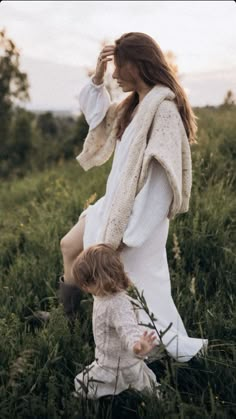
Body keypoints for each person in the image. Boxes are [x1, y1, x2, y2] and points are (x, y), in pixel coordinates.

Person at [59, 32, 208, 362]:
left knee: (138, 291)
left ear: (137, 65)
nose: (114, 75)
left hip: (137, 220)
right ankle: (68, 320)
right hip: (114, 206)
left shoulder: (164, 112)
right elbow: (97, 118)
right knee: (69, 245)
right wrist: (96, 78)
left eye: (118, 68)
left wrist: (128, 236)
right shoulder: (134, 105)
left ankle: (152, 350)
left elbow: (161, 185)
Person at [72, 243, 160, 399]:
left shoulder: (117, 305)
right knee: (144, 388)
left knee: (83, 385)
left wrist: (137, 347)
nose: (84, 288)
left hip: (116, 366)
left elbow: (128, 329)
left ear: (102, 280)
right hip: (113, 358)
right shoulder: (103, 295)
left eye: (87, 283)